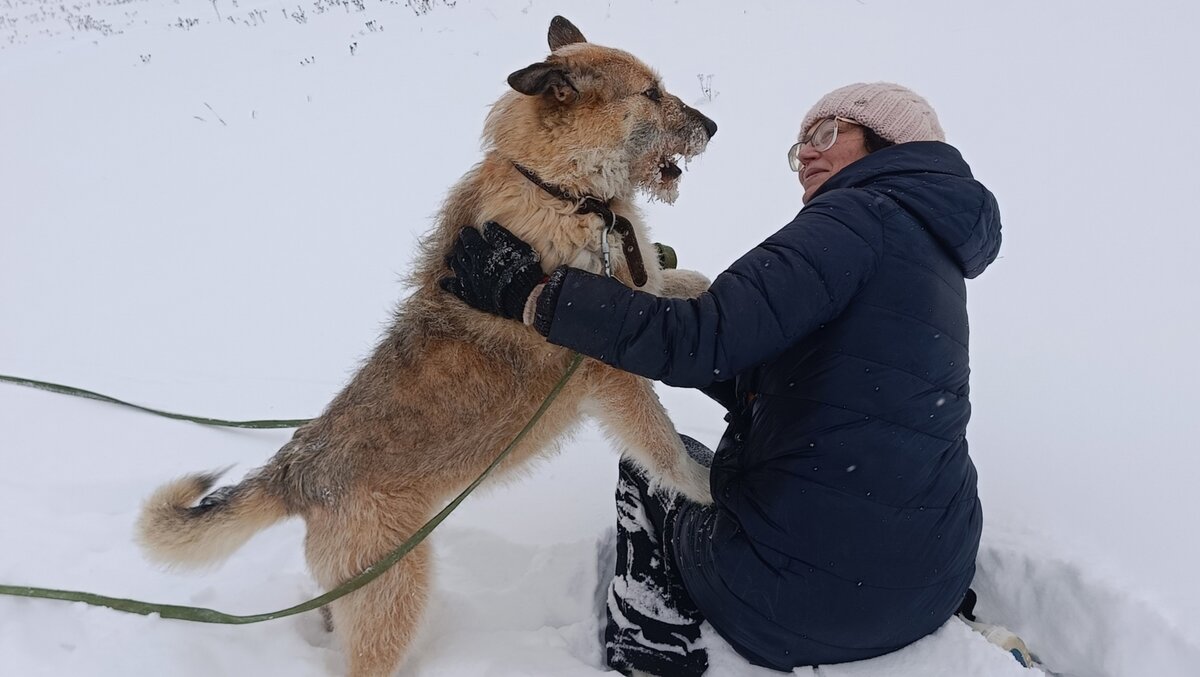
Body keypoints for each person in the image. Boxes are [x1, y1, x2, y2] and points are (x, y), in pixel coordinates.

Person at [441, 82, 1003, 676]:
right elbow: (783, 383)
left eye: (826, 134)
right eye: (799, 146)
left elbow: (699, 342)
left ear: (891, 143)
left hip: (795, 605)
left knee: (657, 466)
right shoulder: (930, 250)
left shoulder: (855, 216)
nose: (806, 155)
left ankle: (650, 639)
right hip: (933, 581)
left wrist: (533, 295)